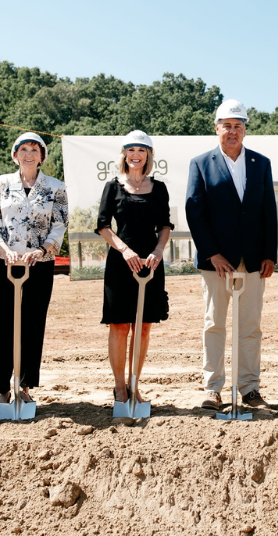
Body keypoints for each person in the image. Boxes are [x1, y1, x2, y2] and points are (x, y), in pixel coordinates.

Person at [186, 99, 278, 411]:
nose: (233, 131)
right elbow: (194, 211)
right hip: (217, 264)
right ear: (217, 128)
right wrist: (212, 254)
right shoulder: (200, 163)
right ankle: (212, 389)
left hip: (253, 260)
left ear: (245, 130)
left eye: (239, 126)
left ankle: (250, 389)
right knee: (215, 324)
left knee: (250, 325)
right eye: (227, 125)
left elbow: (268, 211)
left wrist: (269, 254)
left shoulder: (260, 163)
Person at [0, 132, 68, 407]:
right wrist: (4, 249)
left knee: (32, 325)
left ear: (42, 156)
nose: (29, 154)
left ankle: (25, 385)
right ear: (15, 154)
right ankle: (2, 389)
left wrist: (43, 250)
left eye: (35, 149)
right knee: (2, 323)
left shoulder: (55, 187)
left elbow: (60, 223)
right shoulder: (0, 184)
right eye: (23, 149)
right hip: (6, 263)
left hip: (39, 265)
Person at [96, 130, 173, 404]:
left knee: (143, 327)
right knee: (119, 325)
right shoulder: (113, 187)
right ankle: (119, 387)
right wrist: (125, 250)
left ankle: (135, 386)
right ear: (124, 154)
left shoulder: (159, 188)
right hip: (120, 263)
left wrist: (158, 251)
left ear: (148, 155)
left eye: (141, 151)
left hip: (151, 263)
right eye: (131, 150)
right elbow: (103, 226)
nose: (136, 155)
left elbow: (164, 226)